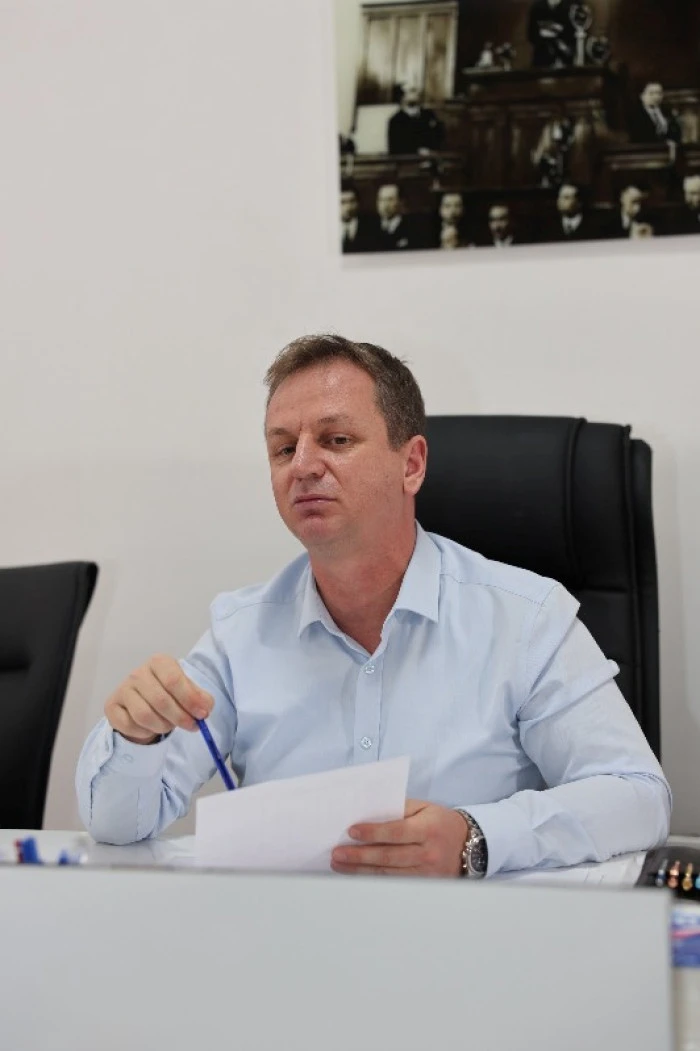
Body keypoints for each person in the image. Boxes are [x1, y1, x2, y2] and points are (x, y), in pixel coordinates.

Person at [77, 334, 671, 879]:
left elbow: (638, 796)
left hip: (472, 940)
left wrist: (475, 838)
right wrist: (137, 739)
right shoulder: (240, 632)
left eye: (336, 440)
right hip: (292, 940)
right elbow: (117, 826)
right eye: (283, 448)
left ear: (411, 464)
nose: (303, 465)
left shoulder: (525, 617)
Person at [387, 84, 444, 156]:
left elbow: (439, 137)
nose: (414, 94)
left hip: (432, 158)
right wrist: (418, 151)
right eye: (410, 91)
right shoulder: (396, 121)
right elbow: (395, 148)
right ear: (402, 97)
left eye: (415, 91)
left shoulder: (429, 115)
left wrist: (431, 151)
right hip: (409, 159)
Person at [527, 0, 576, 69]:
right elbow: (531, 36)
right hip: (542, 62)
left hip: (567, 61)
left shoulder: (573, 6)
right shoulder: (537, 7)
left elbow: (575, 36)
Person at [374, 183, 420, 251]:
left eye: (390, 200)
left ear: (400, 201)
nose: (385, 205)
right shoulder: (371, 228)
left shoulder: (412, 227)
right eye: (381, 200)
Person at [339, 185, 376, 254]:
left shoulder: (371, 225)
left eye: (352, 201)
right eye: (342, 202)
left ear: (358, 203)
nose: (348, 207)